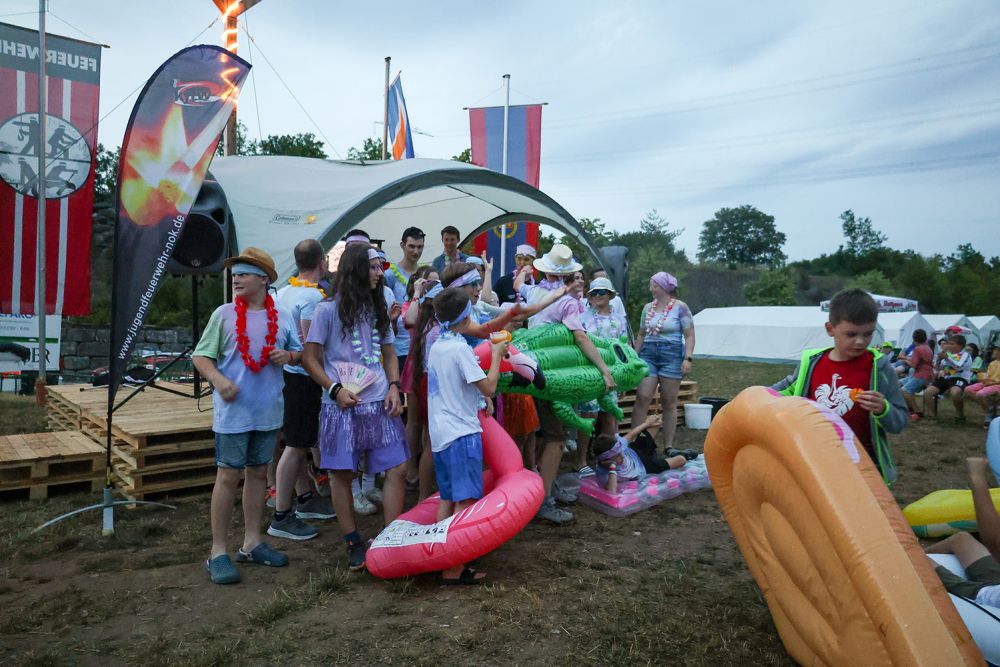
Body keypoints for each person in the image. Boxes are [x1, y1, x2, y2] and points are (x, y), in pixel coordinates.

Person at [192, 247, 303, 585]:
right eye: (235, 273)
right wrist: (218, 380)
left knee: (257, 474)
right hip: (233, 414)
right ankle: (217, 552)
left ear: (264, 279)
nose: (235, 278)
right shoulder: (224, 314)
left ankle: (252, 543)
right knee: (228, 476)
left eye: (243, 273)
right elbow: (201, 356)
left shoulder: (282, 315)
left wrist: (288, 356)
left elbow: (299, 352)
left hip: (268, 411)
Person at [302, 244, 408, 572]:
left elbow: (389, 352)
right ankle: (352, 541)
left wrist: (394, 386)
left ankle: (390, 536)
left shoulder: (379, 306)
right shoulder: (326, 310)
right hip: (341, 406)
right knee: (342, 474)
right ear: (356, 269)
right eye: (374, 267)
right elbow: (309, 358)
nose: (379, 273)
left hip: (379, 401)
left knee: (398, 468)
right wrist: (334, 389)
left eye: (380, 267)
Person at [519, 245, 616, 525]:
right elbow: (581, 337)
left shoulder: (535, 291)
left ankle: (547, 486)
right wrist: (604, 370)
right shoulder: (568, 302)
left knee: (545, 434)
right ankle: (543, 500)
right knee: (556, 438)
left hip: (532, 369)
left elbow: (519, 287)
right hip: (553, 376)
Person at [772, 288, 908, 485]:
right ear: (830, 329)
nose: (860, 341)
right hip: (814, 463)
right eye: (851, 334)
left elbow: (899, 421)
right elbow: (779, 391)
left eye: (868, 334)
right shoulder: (812, 363)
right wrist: (749, 399)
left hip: (863, 470)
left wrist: (883, 409)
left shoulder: (880, 368)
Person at [426, 287, 509, 584]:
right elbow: (490, 387)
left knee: (447, 497)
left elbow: (456, 384)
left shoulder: (437, 345)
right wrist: (496, 355)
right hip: (462, 433)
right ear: (465, 318)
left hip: (441, 434)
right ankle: (454, 568)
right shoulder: (460, 349)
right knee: (465, 500)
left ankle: (444, 557)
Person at [268, 240, 336, 542]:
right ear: (322, 262)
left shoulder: (284, 291)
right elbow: (312, 345)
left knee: (296, 441)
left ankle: (305, 497)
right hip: (304, 376)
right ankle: (282, 515)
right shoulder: (311, 296)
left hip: (288, 374)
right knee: (296, 446)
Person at [630, 271, 695, 453]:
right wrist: (634, 356)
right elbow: (641, 334)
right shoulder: (647, 308)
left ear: (665, 288)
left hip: (671, 356)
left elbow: (689, 335)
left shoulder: (681, 307)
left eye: (655, 285)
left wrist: (688, 358)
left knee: (669, 401)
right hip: (648, 355)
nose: (651, 289)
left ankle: (668, 446)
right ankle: (633, 442)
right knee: (643, 397)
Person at [925, 457, 1000, 610]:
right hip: (996, 585)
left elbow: (995, 544)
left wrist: (977, 477)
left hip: (980, 600)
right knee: (962, 539)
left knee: (912, 559)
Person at [574, 275, 628, 473]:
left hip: (613, 374)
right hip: (590, 373)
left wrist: (623, 379)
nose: (597, 296)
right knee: (589, 416)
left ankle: (608, 459)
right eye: (594, 292)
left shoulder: (619, 319)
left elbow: (624, 349)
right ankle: (581, 459)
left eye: (602, 292)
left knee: (609, 417)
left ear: (610, 294)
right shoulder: (583, 318)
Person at [589, 416, 687, 493]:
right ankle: (662, 458)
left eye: (620, 452)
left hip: (636, 452)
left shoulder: (619, 446)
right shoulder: (604, 473)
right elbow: (611, 491)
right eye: (617, 456)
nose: (621, 456)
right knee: (681, 460)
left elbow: (631, 434)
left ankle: (653, 452)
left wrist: (647, 423)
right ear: (607, 460)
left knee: (656, 421)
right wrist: (612, 467)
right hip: (646, 467)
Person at [384, 226, 426, 375]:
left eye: (420, 247)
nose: (416, 251)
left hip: (422, 344)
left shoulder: (426, 273)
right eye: (412, 246)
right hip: (399, 346)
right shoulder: (390, 275)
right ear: (402, 245)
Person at [923, 333, 973, 422]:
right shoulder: (947, 354)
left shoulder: (964, 355)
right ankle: (932, 415)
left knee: (955, 393)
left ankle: (960, 415)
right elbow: (938, 368)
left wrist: (946, 358)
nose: (949, 345)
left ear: (960, 345)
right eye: (948, 343)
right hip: (945, 377)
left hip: (959, 378)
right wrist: (938, 361)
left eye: (952, 344)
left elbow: (959, 367)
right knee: (928, 392)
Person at [899, 329, 935, 421]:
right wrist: (909, 358)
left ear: (913, 339)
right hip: (927, 374)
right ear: (925, 338)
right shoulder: (928, 348)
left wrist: (904, 359)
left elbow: (913, 365)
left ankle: (917, 411)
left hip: (921, 375)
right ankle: (908, 408)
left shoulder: (917, 349)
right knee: (898, 383)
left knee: (905, 391)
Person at [965, 346, 1000, 428]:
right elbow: (987, 375)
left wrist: (991, 382)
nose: (995, 353)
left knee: (980, 394)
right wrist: (984, 380)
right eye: (995, 351)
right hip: (988, 382)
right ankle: (989, 410)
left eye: (997, 352)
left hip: (997, 385)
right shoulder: (992, 363)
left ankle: (989, 414)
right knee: (968, 389)